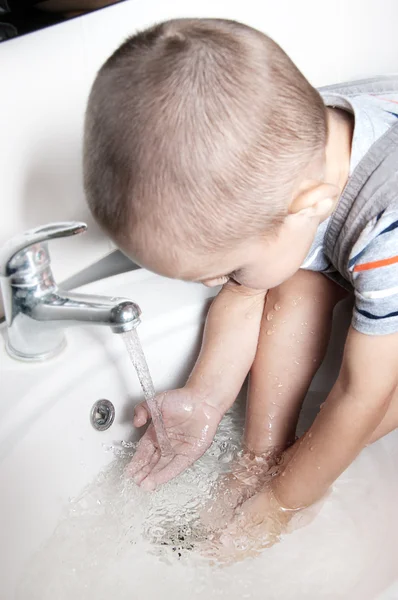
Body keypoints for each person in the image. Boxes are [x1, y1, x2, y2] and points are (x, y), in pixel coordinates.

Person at [83, 18, 398, 555]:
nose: (221, 286)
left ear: (309, 206)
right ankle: (258, 456)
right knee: (290, 280)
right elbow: (254, 292)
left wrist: (283, 501)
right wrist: (207, 396)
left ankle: (277, 472)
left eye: (227, 271)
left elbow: (362, 394)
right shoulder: (281, 154)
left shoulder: (387, 228)